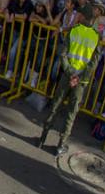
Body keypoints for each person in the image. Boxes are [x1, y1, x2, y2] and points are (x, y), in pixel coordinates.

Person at [37, 11, 100, 156]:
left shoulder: (74, 30)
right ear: (94, 19)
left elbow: (63, 53)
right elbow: (93, 63)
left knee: (55, 106)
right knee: (71, 113)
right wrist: (78, 76)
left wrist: (71, 73)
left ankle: (42, 138)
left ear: (84, 16)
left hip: (67, 75)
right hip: (80, 81)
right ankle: (60, 145)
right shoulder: (96, 36)